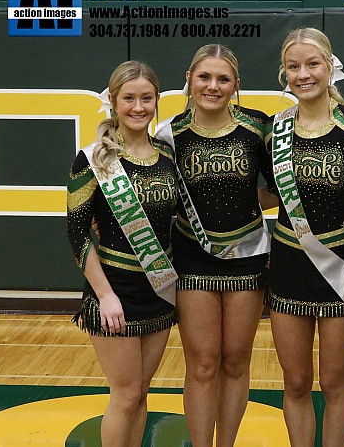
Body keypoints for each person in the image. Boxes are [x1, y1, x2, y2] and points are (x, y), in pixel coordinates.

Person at [154, 44, 274, 447]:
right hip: (193, 257)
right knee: (203, 364)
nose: (213, 85)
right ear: (189, 79)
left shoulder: (258, 127)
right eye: (204, 77)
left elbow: (282, 188)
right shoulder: (169, 134)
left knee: (236, 362)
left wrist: (244, 203)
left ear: (236, 85)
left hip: (247, 256)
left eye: (223, 79)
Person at [266, 27, 344, 447]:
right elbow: (254, 190)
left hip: (339, 271)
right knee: (295, 382)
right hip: (288, 269)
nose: (304, 74)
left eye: (313, 64)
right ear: (284, 74)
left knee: (335, 382)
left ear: (331, 67)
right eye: (293, 66)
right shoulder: (272, 131)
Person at [67, 60, 179, 447]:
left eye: (146, 98)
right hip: (113, 292)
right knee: (125, 394)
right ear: (112, 101)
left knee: (142, 393)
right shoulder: (93, 158)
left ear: (156, 101)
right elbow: (77, 233)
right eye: (128, 98)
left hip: (160, 290)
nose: (137, 107)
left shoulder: (168, 156)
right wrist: (106, 295)